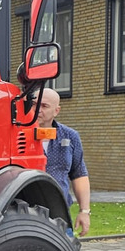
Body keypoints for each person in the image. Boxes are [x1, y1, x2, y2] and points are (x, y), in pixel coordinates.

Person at [35, 88, 91, 236]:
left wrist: (84, 211)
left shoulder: (70, 136)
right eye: (34, 104)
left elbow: (79, 174)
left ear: (56, 111)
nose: (37, 110)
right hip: (25, 214)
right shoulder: (16, 135)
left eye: (44, 106)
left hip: (59, 214)